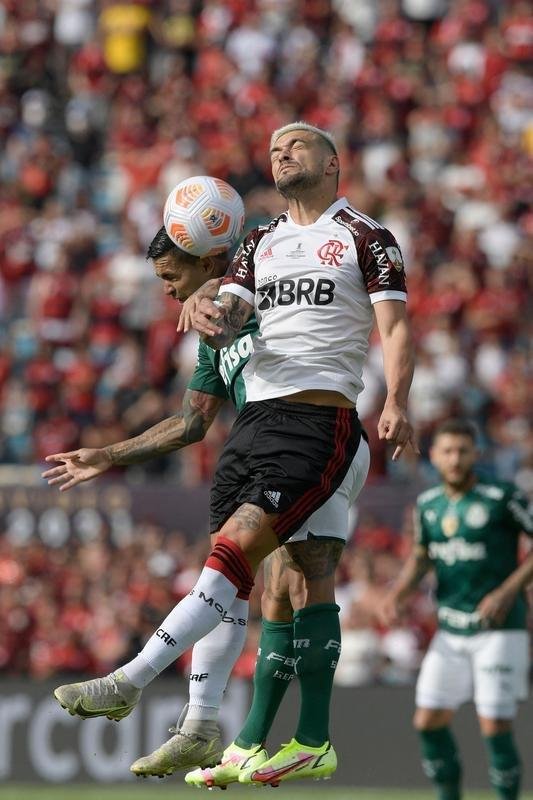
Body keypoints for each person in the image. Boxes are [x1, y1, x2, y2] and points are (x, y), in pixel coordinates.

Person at [52, 121, 416, 786]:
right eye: (273, 147)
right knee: (269, 584)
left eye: (297, 144)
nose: (281, 152)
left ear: (332, 162)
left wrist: (397, 400)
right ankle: (223, 733)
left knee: (256, 566)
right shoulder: (258, 248)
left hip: (317, 426)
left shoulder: (364, 237)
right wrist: (204, 305)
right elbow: (199, 400)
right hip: (256, 432)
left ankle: (133, 682)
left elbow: (394, 326)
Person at [380, 418, 533, 800]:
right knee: (428, 720)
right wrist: (399, 593)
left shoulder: (502, 496)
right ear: (434, 455)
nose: (455, 459)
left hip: (499, 629)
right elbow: (422, 557)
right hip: (450, 629)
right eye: (447, 451)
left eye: (463, 451)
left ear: (475, 454)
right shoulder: (428, 504)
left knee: (494, 724)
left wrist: (507, 591)